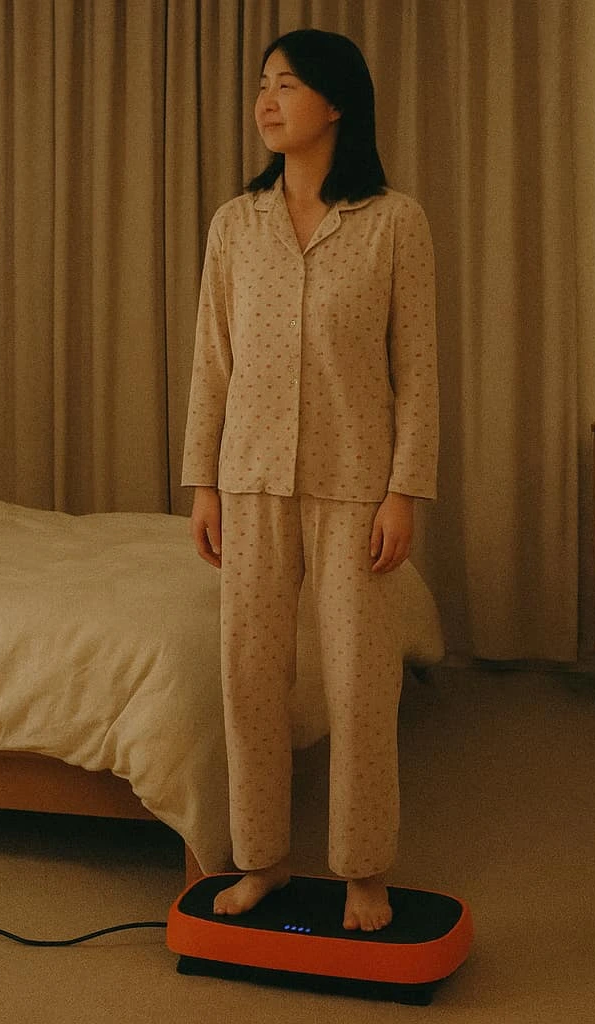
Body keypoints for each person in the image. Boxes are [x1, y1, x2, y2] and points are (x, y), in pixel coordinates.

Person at [180, 28, 438, 933]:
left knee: (362, 685)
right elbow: (212, 364)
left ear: (336, 103)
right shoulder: (234, 225)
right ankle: (262, 862)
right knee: (250, 679)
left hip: (355, 486)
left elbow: (419, 368)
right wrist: (202, 482)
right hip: (248, 480)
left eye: (286, 84)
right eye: (262, 84)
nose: (266, 100)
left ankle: (364, 871)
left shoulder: (395, 221)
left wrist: (404, 490)